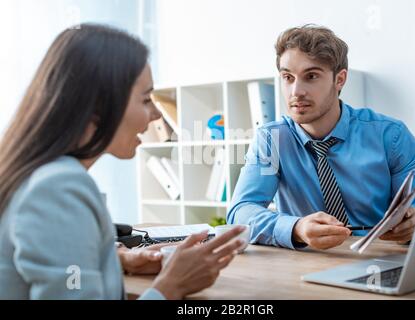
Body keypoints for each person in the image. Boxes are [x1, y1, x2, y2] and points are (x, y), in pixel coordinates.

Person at [0, 24, 245, 300]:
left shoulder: (37, 174)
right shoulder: (58, 187)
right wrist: (170, 288)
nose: (154, 115)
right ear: (97, 108)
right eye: (145, 100)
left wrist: (116, 262)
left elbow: (65, 270)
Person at [227, 25, 415, 251]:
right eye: (287, 77)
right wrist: (297, 228)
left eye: (311, 76)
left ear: (340, 79)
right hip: (306, 265)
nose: (296, 91)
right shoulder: (272, 140)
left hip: (380, 260)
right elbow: (241, 212)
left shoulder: (390, 135)